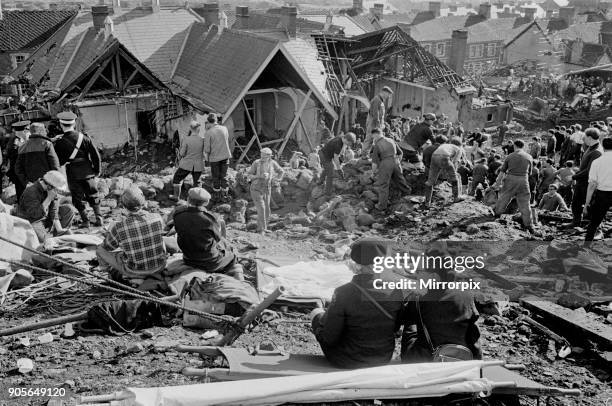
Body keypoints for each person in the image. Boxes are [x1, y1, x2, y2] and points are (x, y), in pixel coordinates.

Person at [310, 238, 403, 369]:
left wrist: (318, 320)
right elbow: (394, 328)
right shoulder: (396, 291)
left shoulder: (343, 292)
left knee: (316, 313)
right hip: (382, 358)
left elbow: (329, 338)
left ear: (356, 263)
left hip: (347, 360)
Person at [400, 252, 482, 363]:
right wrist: (476, 364)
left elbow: (408, 329)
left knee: (411, 323)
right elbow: (474, 335)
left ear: (434, 276)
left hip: (428, 359)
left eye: (420, 271)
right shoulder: (467, 295)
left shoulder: (419, 298)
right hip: (459, 358)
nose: (417, 275)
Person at [171, 187, 244, 280]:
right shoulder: (210, 219)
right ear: (206, 202)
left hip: (188, 259)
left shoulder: (178, 213)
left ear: (188, 199)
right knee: (232, 256)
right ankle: (235, 278)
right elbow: (218, 238)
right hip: (210, 262)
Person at [96, 187, 167, 280]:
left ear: (124, 207)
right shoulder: (157, 217)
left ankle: (107, 271)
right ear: (143, 202)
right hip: (160, 267)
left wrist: (113, 232)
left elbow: (107, 247)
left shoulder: (119, 226)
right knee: (160, 238)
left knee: (100, 250)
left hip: (134, 271)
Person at [54, 111, 103, 228]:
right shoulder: (85, 138)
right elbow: (96, 156)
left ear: (61, 125)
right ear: (74, 124)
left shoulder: (59, 143)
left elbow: (59, 161)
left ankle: (85, 221)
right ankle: (99, 218)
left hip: (73, 173)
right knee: (93, 194)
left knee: (77, 198)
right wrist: (97, 170)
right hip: (88, 171)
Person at [15, 170, 74, 243]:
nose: (57, 193)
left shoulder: (51, 190)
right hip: (32, 221)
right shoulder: (31, 191)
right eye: (56, 190)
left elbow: (54, 210)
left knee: (69, 209)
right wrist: (49, 198)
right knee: (46, 243)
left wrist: (59, 229)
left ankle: (58, 235)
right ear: (49, 186)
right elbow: (34, 214)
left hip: (45, 218)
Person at [493, 140, 535, 232]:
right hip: (524, 180)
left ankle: (496, 215)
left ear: (515, 146)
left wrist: (497, 183)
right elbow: (530, 173)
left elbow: (502, 171)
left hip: (511, 179)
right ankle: (529, 225)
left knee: (504, 198)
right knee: (525, 203)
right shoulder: (529, 157)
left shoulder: (510, 156)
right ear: (523, 146)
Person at [569, 128, 602, 228]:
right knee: (575, 204)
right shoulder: (590, 147)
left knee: (590, 206)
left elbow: (589, 171)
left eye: (585, 137)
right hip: (581, 182)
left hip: (588, 183)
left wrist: (574, 176)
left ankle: (592, 227)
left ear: (590, 137)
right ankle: (576, 222)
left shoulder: (597, 152)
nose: (583, 139)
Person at [370, 129, 411, 211]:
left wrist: (373, 173)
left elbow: (374, 163)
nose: (373, 139)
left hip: (385, 163)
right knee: (399, 179)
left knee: (383, 185)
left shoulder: (377, 145)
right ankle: (407, 193)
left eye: (373, 137)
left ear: (376, 134)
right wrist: (398, 162)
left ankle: (382, 205)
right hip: (395, 161)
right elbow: (400, 153)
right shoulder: (391, 140)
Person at [247, 148, 284, 234]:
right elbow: (249, 175)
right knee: (262, 208)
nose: (262, 156)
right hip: (255, 188)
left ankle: (262, 227)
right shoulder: (256, 163)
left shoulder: (272, 163)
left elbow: (281, 171)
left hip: (267, 188)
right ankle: (262, 230)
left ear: (269, 156)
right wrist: (259, 176)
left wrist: (277, 180)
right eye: (261, 154)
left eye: (264, 155)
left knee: (267, 210)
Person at [583, 137, 612, 241]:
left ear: (603, 147)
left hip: (602, 194)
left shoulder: (597, 162)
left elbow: (592, 184)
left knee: (594, 222)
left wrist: (587, 203)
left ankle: (586, 247)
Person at [15, 122, 60, 188]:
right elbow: (55, 165)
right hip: (48, 183)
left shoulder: (22, 147)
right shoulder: (47, 144)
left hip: (31, 185)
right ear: (40, 131)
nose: (46, 132)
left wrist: (26, 183)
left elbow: (18, 169)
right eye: (44, 130)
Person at [424, 137, 465, 207]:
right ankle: (456, 197)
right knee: (455, 177)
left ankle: (427, 202)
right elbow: (454, 162)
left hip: (434, 156)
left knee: (430, 181)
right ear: (460, 145)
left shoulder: (445, 145)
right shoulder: (458, 149)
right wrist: (451, 175)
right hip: (444, 156)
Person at [171, 120, 205, 201]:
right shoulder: (202, 140)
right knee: (197, 182)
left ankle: (176, 197)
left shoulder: (186, 139)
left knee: (177, 178)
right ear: (199, 130)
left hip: (187, 164)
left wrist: (180, 152)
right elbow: (205, 152)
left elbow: (182, 154)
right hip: (198, 165)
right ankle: (198, 200)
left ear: (190, 129)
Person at [204, 114, 232, 202]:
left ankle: (217, 195)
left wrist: (206, 158)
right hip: (225, 155)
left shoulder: (208, 132)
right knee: (224, 176)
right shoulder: (224, 128)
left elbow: (207, 149)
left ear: (208, 122)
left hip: (215, 157)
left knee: (216, 176)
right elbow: (227, 139)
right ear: (216, 120)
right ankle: (225, 195)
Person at [363, 86, 393, 157]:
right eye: (388, 94)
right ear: (384, 92)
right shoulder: (377, 100)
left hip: (376, 124)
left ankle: (368, 155)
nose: (388, 96)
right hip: (373, 124)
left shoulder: (380, 100)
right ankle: (364, 156)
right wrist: (378, 126)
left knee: (374, 140)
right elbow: (375, 114)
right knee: (369, 139)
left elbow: (380, 115)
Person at [7, 120, 30, 201]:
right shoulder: (16, 141)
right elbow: (15, 157)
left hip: (18, 170)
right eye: (27, 129)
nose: (28, 132)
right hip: (18, 171)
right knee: (21, 190)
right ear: (23, 130)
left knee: (22, 189)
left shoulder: (17, 139)